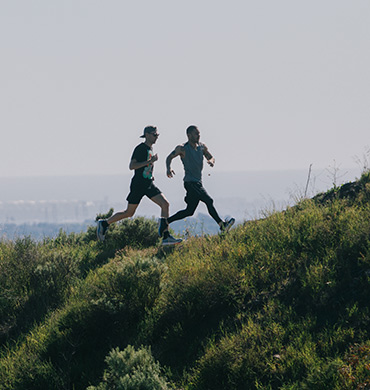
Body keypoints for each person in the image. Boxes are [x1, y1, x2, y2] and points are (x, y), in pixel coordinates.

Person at [97, 126, 182, 246]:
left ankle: (165, 236)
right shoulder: (140, 148)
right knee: (129, 213)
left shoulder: (150, 148)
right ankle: (104, 223)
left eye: (157, 135)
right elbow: (132, 166)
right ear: (147, 135)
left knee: (165, 204)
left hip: (148, 183)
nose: (156, 137)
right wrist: (149, 162)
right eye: (154, 135)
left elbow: (146, 168)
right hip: (138, 185)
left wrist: (150, 174)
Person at [158, 125, 235, 236]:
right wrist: (168, 168)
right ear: (189, 135)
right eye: (196, 134)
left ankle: (165, 222)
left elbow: (210, 156)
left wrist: (211, 161)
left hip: (198, 182)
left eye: (199, 133)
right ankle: (222, 225)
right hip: (190, 183)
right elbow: (169, 157)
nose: (198, 136)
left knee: (189, 211)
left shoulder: (202, 147)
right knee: (209, 201)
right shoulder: (182, 148)